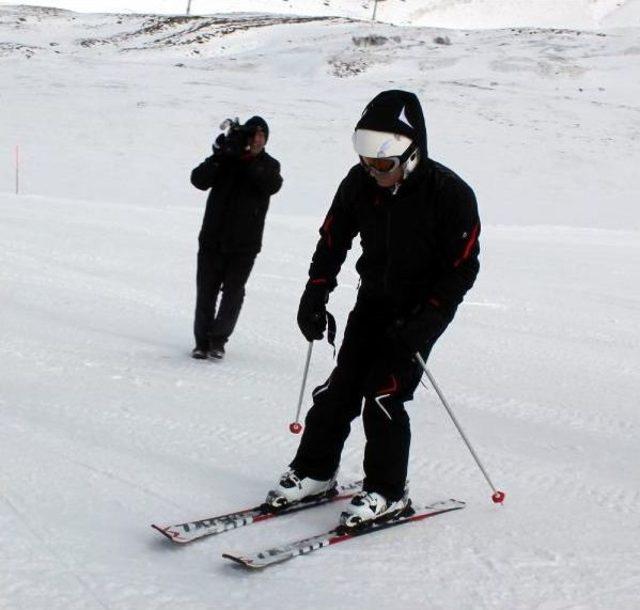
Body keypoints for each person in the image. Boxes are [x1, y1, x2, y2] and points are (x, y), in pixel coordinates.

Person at [266, 90, 480, 528]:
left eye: (382, 164)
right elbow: (332, 239)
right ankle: (315, 472)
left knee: (384, 395)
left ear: (412, 154)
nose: (373, 172)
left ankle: (387, 491)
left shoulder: (450, 195)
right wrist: (315, 292)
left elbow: (461, 270)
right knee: (339, 390)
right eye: (366, 162)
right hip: (372, 303)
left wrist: (425, 325)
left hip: (419, 312)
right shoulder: (359, 182)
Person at [190, 116, 282, 360]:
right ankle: (202, 342)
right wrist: (220, 155)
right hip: (212, 239)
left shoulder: (269, 165)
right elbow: (198, 180)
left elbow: (272, 184)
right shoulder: (226, 159)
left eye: (263, 136)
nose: (258, 140)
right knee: (206, 292)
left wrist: (248, 159)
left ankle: (218, 340)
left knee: (233, 293)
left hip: (245, 245)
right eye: (254, 135)